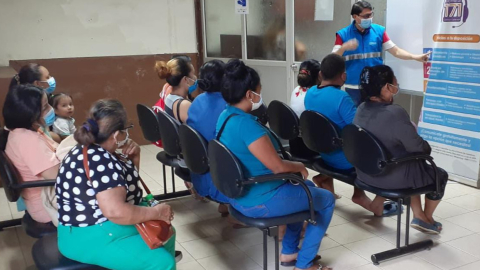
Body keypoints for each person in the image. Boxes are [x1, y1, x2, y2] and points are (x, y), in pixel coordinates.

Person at [217, 59, 334, 270]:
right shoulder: (248, 126)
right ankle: (305, 264)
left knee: (305, 188)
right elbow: (278, 167)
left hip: (239, 195)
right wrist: (298, 166)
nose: (261, 94)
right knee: (325, 200)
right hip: (259, 200)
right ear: (249, 94)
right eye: (259, 90)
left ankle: (289, 252)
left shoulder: (225, 116)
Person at [56, 99, 177, 269]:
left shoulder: (89, 148)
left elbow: (121, 188)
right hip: (91, 234)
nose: (126, 135)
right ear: (115, 134)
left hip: (97, 225)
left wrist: (135, 158)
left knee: (165, 230)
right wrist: (155, 211)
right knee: (162, 262)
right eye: (125, 130)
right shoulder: (100, 160)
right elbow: (116, 211)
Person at [355, 65, 448, 234]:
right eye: (395, 83)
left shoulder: (361, 108)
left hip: (365, 173)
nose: (397, 87)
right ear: (386, 87)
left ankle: (413, 212)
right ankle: (424, 217)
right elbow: (419, 148)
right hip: (390, 178)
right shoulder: (394, 113)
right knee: (438, 174)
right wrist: (425, 145)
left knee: (407, 159)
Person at [305, 54, 391, 217]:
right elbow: (359, 128)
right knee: (370, 143)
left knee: (353, 142)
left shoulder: (310, 93)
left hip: (324, 153)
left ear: (320, 74)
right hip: (344, 161)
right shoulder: (341, 98)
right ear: (343, 76)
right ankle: (361, 195)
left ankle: (339, 184)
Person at [333, 1, 430, 106]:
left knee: (376, 115)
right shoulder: (343, 34)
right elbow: (333, 58)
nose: (369, 18)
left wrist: (415, 57)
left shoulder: (379, 31)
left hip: (375, 85)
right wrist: (344, 47)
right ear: (355, 16)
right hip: (353, 86)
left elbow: (396, 51)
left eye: (371, 14)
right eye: (366, 16)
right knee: (355, 117)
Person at [2, 84, 60, 224]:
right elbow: (59, 176)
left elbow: (55, 149)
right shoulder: (28, 141)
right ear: (30, 112)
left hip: (44, 195)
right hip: (46, 204)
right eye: (45, 107)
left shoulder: (24, 131)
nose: (51, 110)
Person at [186, 60, 230, 209]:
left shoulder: (197, 101)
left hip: (201, 177)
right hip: (222, 181)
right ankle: (233, 209)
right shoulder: (228, 106)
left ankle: (225, 206)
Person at [156, 58, 196, 124]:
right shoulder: (184, 105)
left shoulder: (169, 97)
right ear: (186, 79)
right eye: (192, 75)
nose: (195, 78)